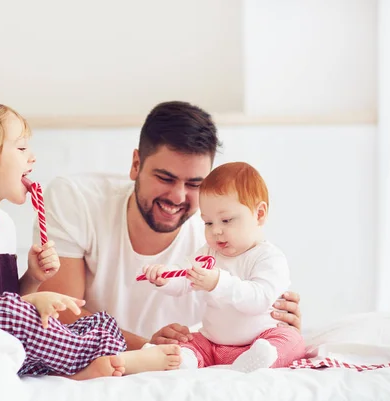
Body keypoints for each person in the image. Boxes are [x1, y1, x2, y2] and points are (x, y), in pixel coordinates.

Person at [0, 62, 180, 380]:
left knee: (95, 321)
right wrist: (33, 302)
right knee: (17, 313)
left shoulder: (2, 223)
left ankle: (96, 354)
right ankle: (92, 363)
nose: (31, 157)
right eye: (20, 148)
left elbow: (4, 301)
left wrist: (32, 279)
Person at [37, 101, 302, 350]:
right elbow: (59, 312)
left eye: (195, 185)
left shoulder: (221, 233)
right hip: (114, 360)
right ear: (136, 164)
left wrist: (276, 326)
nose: (177, 197)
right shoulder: (77, 199)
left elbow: (251, 300)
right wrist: (146, 347)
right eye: (165, 178)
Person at [141, 162, 306, 371]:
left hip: (259, 339)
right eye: (208, 223)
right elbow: (183, 278)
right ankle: (183, 359)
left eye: (226, 220)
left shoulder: (269, 258)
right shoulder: (208, 253)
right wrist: (165, 279)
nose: (216, 231)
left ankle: (260, 359)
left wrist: (218, 283)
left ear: (259, 214)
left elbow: (259, 299)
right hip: (214, 343)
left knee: (292, 340)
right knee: (192, 341)